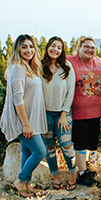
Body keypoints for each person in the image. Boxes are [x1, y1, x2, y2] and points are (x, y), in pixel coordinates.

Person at [0, 34, 46, 197]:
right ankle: (20, 180)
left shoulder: (29, 67)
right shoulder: (18, 67)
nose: (29, 50)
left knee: (27, 152)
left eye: (31, 46)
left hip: (31, 118)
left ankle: (25, 185)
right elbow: (17, 98)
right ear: (17, 48)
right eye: (24, 46)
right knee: (40, 152)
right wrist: (26, 124)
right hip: (23, 120)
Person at [67, 36, 101, 187]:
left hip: (97, 112)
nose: (89, 50)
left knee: (92, 143)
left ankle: (87, 168)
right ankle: (82, 173)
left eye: (92, 47)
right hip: (78, 112)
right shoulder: (70, 61)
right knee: (80, 143)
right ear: (79, 47)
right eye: (86, 46)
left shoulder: (99, 63)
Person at [41, 36, 77, 191]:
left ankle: (73, 176)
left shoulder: (67, 67)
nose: (55, 49)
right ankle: (55, 177)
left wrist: (63, 114)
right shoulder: (39, 67)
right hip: (44, 115)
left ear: (62, 51)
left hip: (63, 113)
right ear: (48, 47)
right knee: (49, 147)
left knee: (66, 146)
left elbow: (70, 93)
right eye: (52, 46)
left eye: (59, 47)